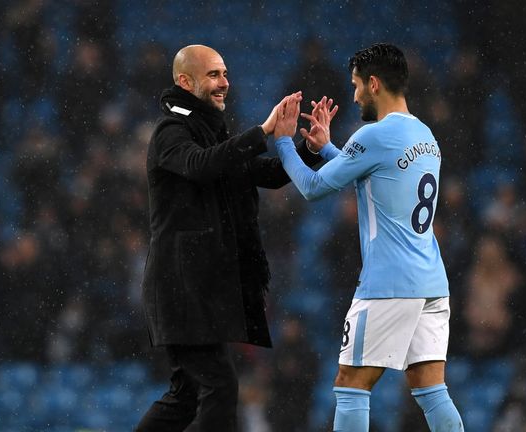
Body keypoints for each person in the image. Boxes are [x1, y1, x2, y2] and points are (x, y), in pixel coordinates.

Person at [273, 43, 464, 432]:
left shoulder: (373, 134)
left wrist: (282, 140)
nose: (355, 94)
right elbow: (375, 174)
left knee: (351, 385)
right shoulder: (424, 134)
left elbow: (310, 187)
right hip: (431, 281)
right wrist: (327, 147)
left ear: (374, 83)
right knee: (431, 390)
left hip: (388, 283)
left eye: (357, 85)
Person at [135, 44, 321, 432]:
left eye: (225, 73)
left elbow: (268, 174)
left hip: (193, 285)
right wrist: (265, 130)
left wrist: (309, 148)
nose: (225, 83)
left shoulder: (208, 132)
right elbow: (200, 166)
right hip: (179, 285)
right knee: (220, 385)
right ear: (185, 82)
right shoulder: (171, 131)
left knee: (185, 395)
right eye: (214, 75)